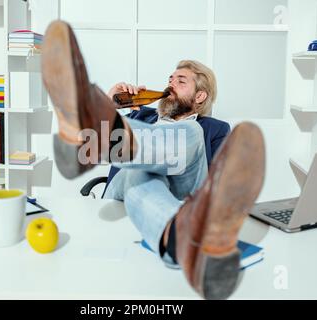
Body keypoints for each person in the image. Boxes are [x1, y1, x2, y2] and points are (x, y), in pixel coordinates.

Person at [41, 20, 266, 300]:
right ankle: (101, 127)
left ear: (200, 95)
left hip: (179, 194)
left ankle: (175, 237)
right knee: (139, 167)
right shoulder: (140, 116)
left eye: (180, 81)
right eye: (170, 79)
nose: (170, 85)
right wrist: (110, 104)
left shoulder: (214, 129)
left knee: (178, 142)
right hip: (122, 196)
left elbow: (214, 187)